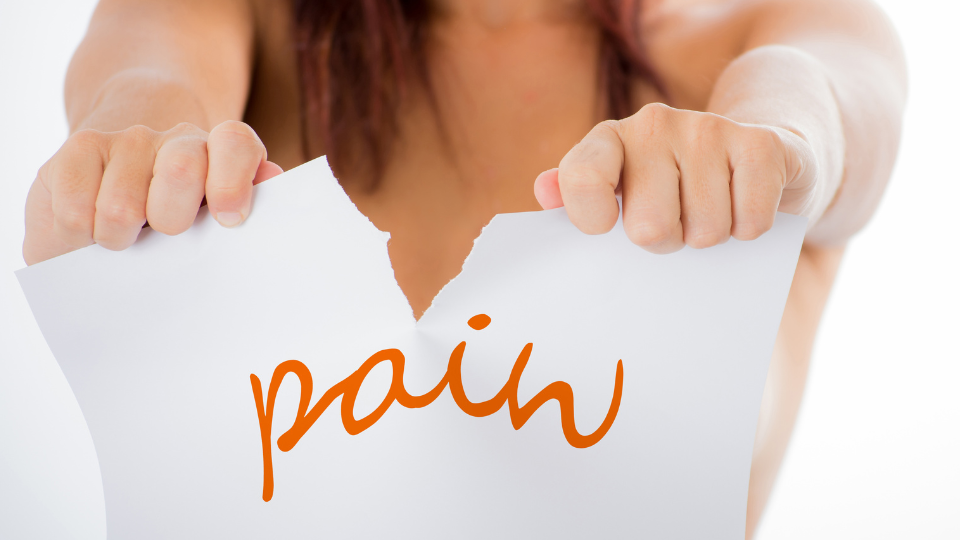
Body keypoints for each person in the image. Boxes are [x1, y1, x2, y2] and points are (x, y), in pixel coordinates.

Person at [21, 0, 906, 535]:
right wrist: (128, 159)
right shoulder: (238, 22)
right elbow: (143, 77)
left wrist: (774, 149)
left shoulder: (765, 32)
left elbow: (820, 108)